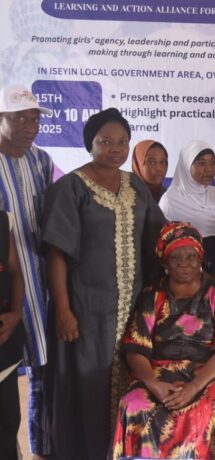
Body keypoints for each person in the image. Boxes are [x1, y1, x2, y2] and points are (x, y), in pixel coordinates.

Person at [43, 108, 166, 460]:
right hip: (85, 309)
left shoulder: (135, 186)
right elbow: (56, 253)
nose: (116, 149)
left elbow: (159, 238)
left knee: (130, 380)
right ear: (90, 143)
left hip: (131, 309)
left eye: (122, 142)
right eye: (106, 142)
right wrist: (63, 309)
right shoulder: (70, 188)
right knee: (86, 384)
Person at [111, 222, 215, 460]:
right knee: (134, 405)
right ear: (165, 262)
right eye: (176, 257)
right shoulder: (152, 295)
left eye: (191, 256)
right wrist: (154, 385)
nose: (184, 263)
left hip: (206, 374)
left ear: (200, 258)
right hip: (158, 372)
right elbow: (135, 349)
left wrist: (195, 386)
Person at [0, 84, 54, 455]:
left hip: (40, 279)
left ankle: (39, 447)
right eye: (20, 118)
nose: (30, 127)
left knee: (43, 367)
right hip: (4, 288)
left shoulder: (42, 161)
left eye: (34, 119)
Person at [160, 141, 215, 277]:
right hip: (184, 273)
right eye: (201, 163)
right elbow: (165, 246)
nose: (209, 169)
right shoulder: (170, 200)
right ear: (187, 166)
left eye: (213, 162)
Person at [0, 211, 25, 458]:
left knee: (8, 419)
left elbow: (15, 272)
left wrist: (16, 313)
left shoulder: (3, 221)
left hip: (4, 346)